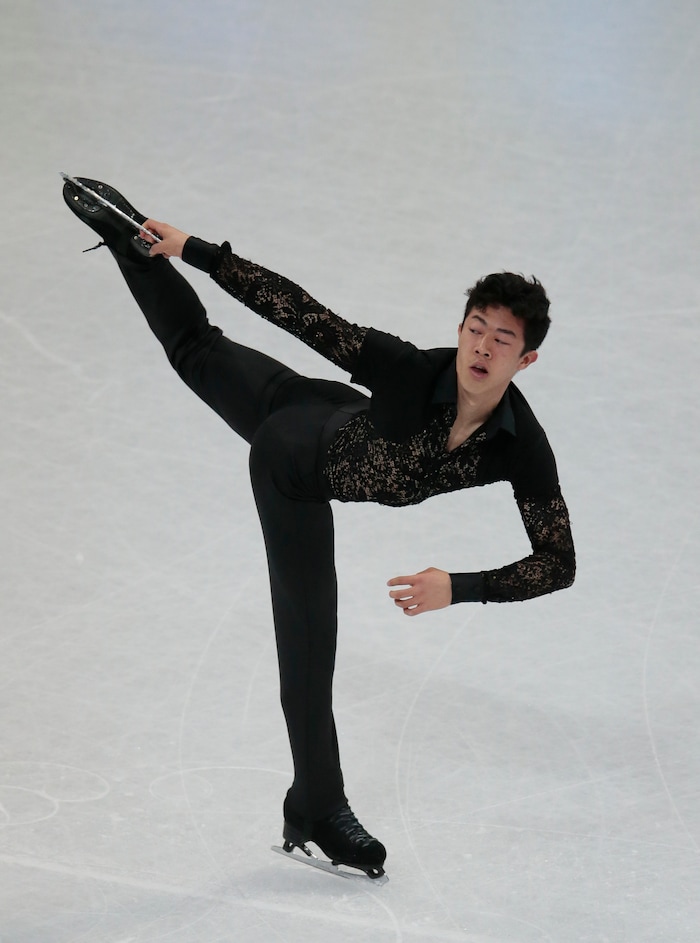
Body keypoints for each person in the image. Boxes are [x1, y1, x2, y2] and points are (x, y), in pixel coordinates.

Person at [62, 177, 575, 880]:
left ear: (527, 360)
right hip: (293, 464)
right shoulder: (407, 369)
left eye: (502, 339)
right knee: (310, 644)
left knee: (197, 348)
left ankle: (126, 244)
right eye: (474, 329)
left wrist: (458, 586)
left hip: (318, 409)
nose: (482, 348)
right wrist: (193, 250)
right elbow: (305, 315)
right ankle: (317, 804)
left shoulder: (519, 443)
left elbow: (558, 560)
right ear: (459, 329)